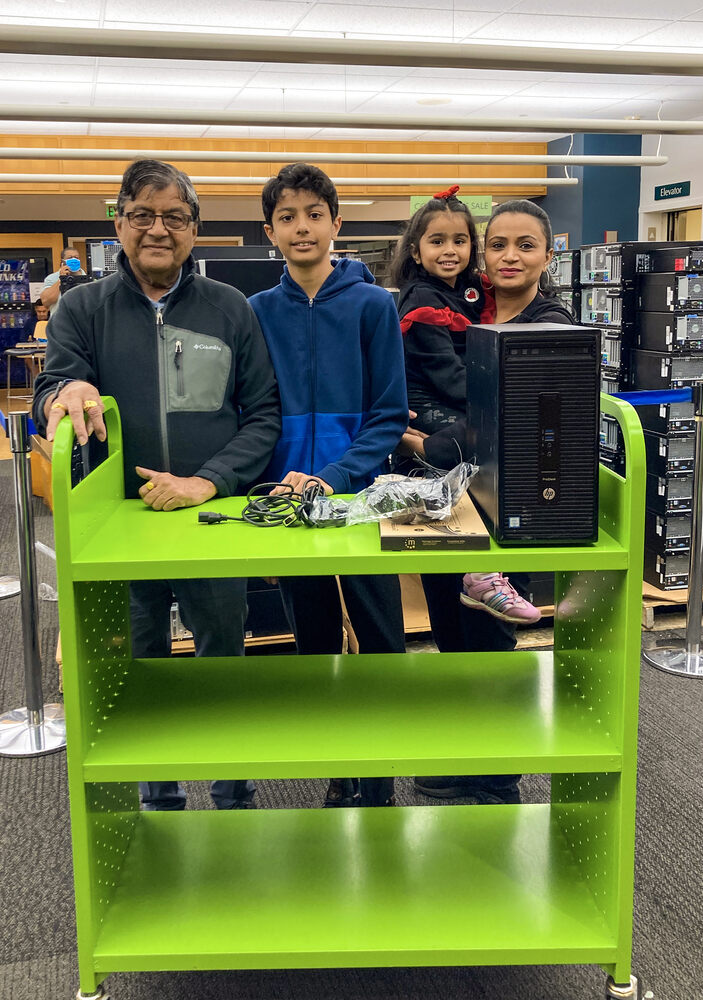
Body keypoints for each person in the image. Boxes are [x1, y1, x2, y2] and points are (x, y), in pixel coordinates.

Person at [32, 159, 281, 811]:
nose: (157, 229)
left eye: (174, 216)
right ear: (118, 222)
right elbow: (48, 392)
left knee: (222, 654)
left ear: (194, 229)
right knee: (134, 664)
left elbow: (263, 416)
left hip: (209, 523)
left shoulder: (231, 309)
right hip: (117, 526)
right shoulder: (81, 310)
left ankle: (233, 791)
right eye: (141, 214)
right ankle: (158, 796)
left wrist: (207, 481)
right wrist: (67, 388)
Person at [396, 196, 574, 805]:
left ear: (548, 254)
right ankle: (465, 758)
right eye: (497, 244)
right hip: (448, 503)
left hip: (511, 510)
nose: (508, 256)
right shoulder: (467, 310)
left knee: (492, 646)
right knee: (450, 632)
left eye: (525, 245)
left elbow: (525, 421)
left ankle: (498, 781)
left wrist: (428, 436)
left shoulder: (553, 323)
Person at [250, 162, 409, 809]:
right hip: (291, 504)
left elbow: (388, 415)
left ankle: (380, 779)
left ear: (336, 223)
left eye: (314, 213)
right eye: (287, 216)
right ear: (270, 230)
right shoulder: (257, 312)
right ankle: (339, 770)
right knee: (312, 640)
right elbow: (255, 410)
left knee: (380, 639)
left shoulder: (374, 306)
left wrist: (335, 476)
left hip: (359, 500)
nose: (302, 227)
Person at [393, 185, 541, 627]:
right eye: (437, 241)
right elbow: (449, 377)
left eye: (460, 241)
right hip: (429, 400)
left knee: (482, 452)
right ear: (416, 252)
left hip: (456, 399)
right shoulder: (423, 300)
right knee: (476, 442)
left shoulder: (472, 292)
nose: (450, 250)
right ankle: (480, 574)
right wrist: (497, 401)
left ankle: (483, 574)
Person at [40, 247, 86, 317]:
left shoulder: (88, 279)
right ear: (63, 261)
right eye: (70, 258)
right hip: (60, 322)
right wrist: (61, 279)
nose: (73, 260)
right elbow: (46, 302)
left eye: (76, 258)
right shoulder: (51, 278)